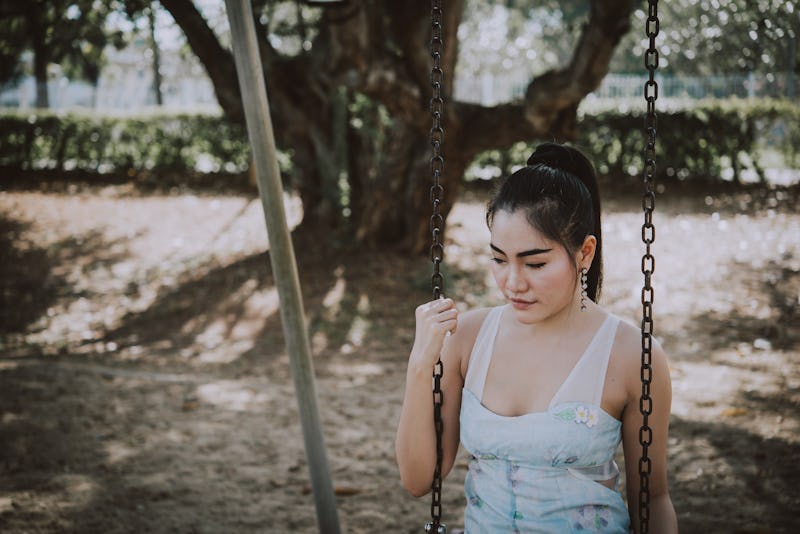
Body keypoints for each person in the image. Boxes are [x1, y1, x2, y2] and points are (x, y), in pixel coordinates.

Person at [396, 142, 677, 533]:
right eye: (498, 259)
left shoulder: (632, 356)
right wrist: (420, 365)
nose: (512, 283)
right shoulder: (467, 338)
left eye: (535, 263)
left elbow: (653, 498)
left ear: (585, 253)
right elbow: (418, 480)